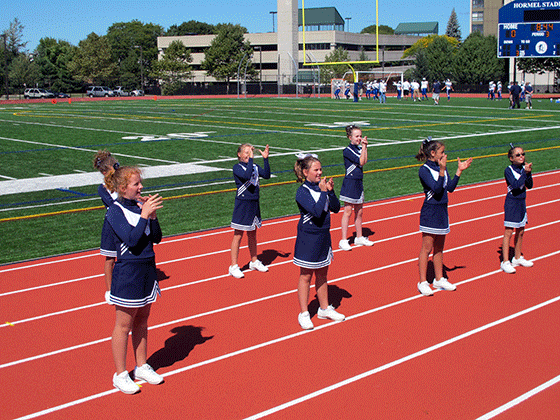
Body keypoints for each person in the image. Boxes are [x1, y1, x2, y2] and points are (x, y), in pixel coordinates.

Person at [102, 165, 164, 394]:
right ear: (122, 187)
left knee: (143, 320)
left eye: (140, 183)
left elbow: (155, 238)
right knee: (123, 325)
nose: (141, 187)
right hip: (128, 274)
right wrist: (144, 215)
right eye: (136, 184)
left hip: (147, 270)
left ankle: (141, 366)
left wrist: (153, 217)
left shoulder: (140, 207)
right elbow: (132, 239)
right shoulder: (114, 211)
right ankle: (120, 374)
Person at [415, 138, 473, 296]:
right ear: (433, 153)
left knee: (439, 247)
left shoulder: (443, 168)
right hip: (430, 212)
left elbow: (450, 188)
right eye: (442, 152)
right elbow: (437, 189)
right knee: (426, 248)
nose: (445, 155)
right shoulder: (424, 170)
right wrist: (442, 170)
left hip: (442, 212)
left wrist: (459, 171)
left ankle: (439, 278)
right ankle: (422, 281)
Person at [293, 154, 344, 330]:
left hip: (324, 237)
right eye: (316, 170)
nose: (320, 173)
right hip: (308, 238)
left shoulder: (321, 188)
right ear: (306, 172)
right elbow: (315, 212)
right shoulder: (303, 192)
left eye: (321, 169)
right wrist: (323, 193)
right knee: (306, 276)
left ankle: (324, 308)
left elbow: (336, 208)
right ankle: (304, 313)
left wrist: (330, 191)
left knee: (322, 274)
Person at [229, 143, 271, 278]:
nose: (248, 154)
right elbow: (247, 176)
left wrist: (265, 159)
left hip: (254, 204)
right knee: (238, 235)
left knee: (253, 234)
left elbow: (267, 175)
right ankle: (234, 266)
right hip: (242, 205)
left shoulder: (254, 166)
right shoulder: (237, 167)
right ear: (239, 155)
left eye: (250, 152)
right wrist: (252, 160)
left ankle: (254, 261)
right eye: (246, 152)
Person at [339, 125, 374, 251]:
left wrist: (364, 147)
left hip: (359, 183)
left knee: (359, 212)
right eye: (356, 136)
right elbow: (361, 162)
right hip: (350, 184)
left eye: (360, 136)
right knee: (347, 211)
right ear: (350, 137)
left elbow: (364, 160)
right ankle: (343, 240)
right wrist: (364, 147)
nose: (359, 138)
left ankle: (359, 237)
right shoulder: (347, 151)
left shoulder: (360, 149)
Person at [500, 145, 533, 274]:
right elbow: (515, 185)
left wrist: (528, 173)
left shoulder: (524, 169)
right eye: (518, 155)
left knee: (521, 231)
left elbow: (529, 185)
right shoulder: (508, 170)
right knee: (509, 232)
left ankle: (517, 257)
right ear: (511, 158)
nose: (521, 157)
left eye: (523, 154)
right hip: (512, 203)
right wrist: (524, 173)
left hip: (522, 203)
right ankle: (505, 261)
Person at [94, 150, 120, 305]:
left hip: (124, 223)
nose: (117, 169)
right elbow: (113, 205)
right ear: (105, 172)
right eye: (114, 167)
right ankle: (110, 290)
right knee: (110, 258)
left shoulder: (122, 183)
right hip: (112, 225)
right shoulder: (102, 188)